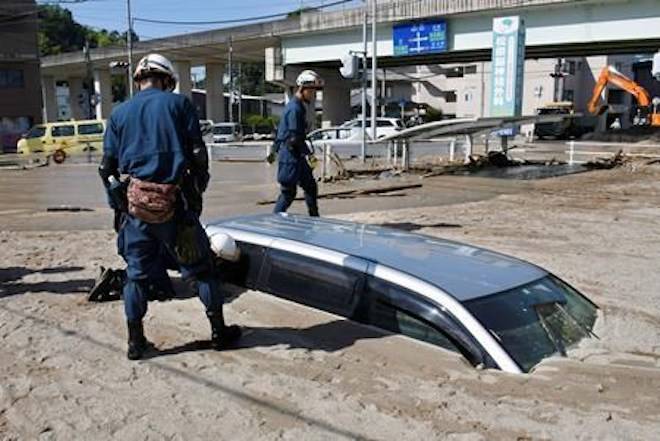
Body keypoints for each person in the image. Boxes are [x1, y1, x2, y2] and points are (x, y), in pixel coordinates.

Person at [99, 53, 241, 360]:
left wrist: (121, 203)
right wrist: (197, 189)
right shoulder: (179, 105)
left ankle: (135, 342)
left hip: (136, 209)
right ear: (167, 80)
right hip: (176, 206)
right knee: (202, 270)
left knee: (135, 276)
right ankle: (218, 332)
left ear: (139, 80)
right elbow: (197, 155)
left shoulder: (119, 114)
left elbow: (106, 169)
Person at [269, 70, 323, 216]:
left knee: (310, 187)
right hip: (291, 155)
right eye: (312, 91)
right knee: (288, 192)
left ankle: (314, 218)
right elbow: (294, 137)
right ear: (303, 89)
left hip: (296, 155)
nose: (314, 95)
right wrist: (308, 155)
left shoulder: (297, 106)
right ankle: (276, 219)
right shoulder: (295, 109)